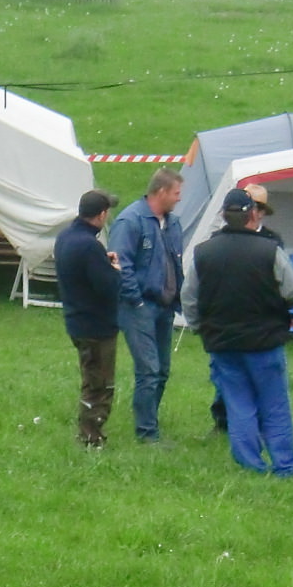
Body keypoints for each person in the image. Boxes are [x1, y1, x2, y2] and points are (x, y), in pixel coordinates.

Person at [185, 189, 293, 476]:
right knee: (274, 404)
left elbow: (189, 297)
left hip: (222, 342)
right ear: (252, 214)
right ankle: (285, 466)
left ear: (223, 216)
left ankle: (251, 465)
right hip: (265, 339)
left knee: (238, 405)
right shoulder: (269, 251)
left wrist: (200, 327)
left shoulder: (203, 252)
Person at [108, 168, 185, 443]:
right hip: (138, 306)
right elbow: (119, 264)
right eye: (176, 193)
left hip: (165, 306)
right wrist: (136, 299)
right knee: (149, 370)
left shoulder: (173, 224)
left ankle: (150, 420)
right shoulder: (131, 221)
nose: (179, 199)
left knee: (162, 371)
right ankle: (147, 433)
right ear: (161, 192)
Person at [209, 184, 290, 433]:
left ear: (260, 212)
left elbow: (288, 286)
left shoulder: (272, 242)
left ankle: (258, 427)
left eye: (257, 208)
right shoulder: (218, 240)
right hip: (226, 320)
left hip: (260, 323)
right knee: (224, 378)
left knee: (263, 381)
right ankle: (223, 421)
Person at [52, 190, 122, 448]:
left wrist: (102, 262)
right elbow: (107, 287)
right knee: (99, 383)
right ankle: (91, 435)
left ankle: (89, 432)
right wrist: (115, 271)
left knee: (91, 377)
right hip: (96, 326)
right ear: (101, 215)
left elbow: (82, 272)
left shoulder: (65, 237)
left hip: (76, 319)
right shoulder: (89, 245)